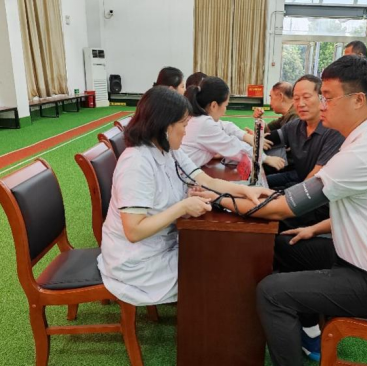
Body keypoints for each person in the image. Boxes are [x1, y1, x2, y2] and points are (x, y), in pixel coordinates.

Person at [193, 56, 367, 366]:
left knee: (272, 292)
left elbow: (285, 206)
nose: (320, 104)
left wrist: (220, 199)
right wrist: (316, 227)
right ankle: (312, 334)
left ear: (359, 100)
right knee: (283, 243)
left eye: (327, 97)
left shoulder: (364, 153)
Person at [97, 86, 271, 306]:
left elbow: (206, 180)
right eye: (184, 125)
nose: (186, 132)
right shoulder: (136, 163)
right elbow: (134, 231)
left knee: (220, 256)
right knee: (221, 271)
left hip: (162, 244)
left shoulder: (168, 149)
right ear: (165, 126)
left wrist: (246, 190)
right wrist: (183, 206)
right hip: (138, 263)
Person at [182, 76, 285, 170]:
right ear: (214, 106)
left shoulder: (198, 119)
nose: (225, 111)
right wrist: (265, 158)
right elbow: (233, 147)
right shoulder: (204, 124)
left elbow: (227, 126)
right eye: (225, 106)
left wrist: (247, 137)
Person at [265, 75, 344, 195]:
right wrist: (247, 139)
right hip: (299, 180)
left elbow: (316, 177)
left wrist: (286, 199)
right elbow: (269, 140)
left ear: (322, 97)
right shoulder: (294, 126)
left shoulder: (334, 130)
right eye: (296, 98)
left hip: (319, 194)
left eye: (306, 97)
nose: (300, 104)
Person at [254, 82, 299, 175]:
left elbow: (272, 139)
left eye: (271, 97)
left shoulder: (295, 116)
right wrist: (259, 119)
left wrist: (255, 138)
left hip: (290, 167)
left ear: (281, 96)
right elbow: (268, 130)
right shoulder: (287, 115)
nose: (270, 103)